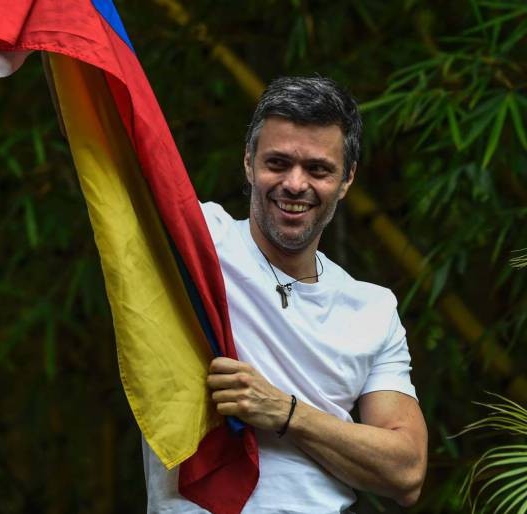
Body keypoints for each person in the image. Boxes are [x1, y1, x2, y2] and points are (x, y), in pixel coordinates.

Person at [142, 76, 428, 513]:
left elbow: (406, 472)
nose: (295, 184)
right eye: (277, 163)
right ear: (248, 161)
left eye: (318, 169)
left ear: (347, 179)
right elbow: (102, 139)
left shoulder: (373, 309)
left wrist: (285, 412)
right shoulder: (195, 243)